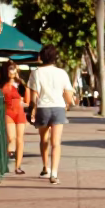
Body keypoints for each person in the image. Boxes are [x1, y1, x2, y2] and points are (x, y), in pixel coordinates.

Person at [27, 44, 77, 185]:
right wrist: (68, 104)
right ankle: (54, 174)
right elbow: (68, 94)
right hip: (58, 108)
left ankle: (45, 168)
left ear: (41, 57)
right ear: (55, 57)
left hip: (43, 108)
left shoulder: (36, 73)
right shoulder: (62, 73)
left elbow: (33, 95)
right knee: (56, 143)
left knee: (44, 139)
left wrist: (32, 109)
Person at [0, 62, 29, 175]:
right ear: (6, 70)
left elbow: (27, 100)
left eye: (14, 69)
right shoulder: (1, 84)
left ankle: (18, 166)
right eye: (10, 69)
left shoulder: (20, 84)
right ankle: (4, 159)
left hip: (19, 112)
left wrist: (22, 102)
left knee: (20, 140)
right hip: (8, 111)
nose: (12, 71)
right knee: (11, 138)